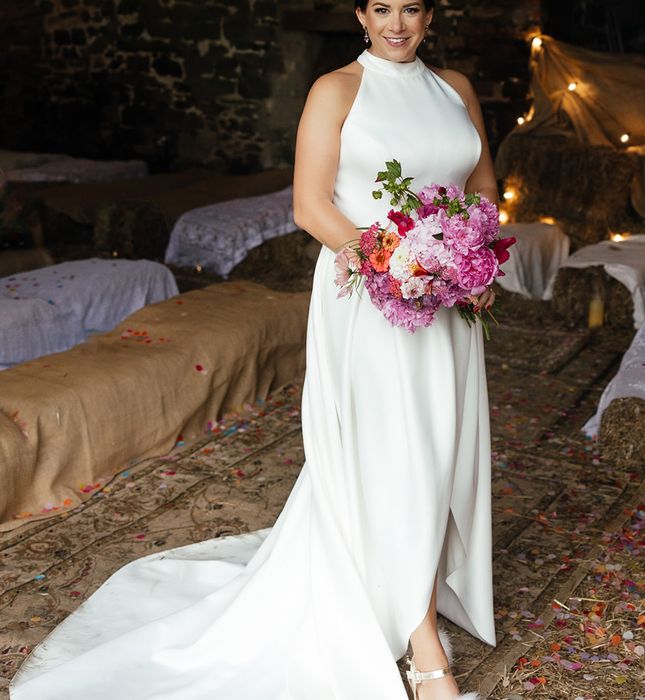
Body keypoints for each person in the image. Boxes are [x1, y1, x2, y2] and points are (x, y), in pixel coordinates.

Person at [10, 2, 498, 698]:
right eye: (381, 7)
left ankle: (408, 579)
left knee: (440, 448)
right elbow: (311, 207)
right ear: (360, 14)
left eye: (410, 8)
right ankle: (425, 649)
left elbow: (481, 186)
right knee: (397, 456)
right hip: (372, 301)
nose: (396, 24)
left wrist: (474, 260)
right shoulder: (337, 89)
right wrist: (405, 266)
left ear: (430, 15)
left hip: (448, 304)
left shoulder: (456, 90)